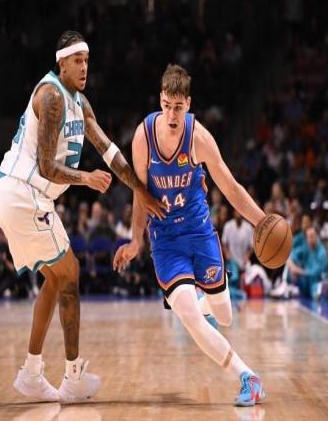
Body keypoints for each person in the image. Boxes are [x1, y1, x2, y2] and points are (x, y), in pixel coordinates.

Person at [0, 30, 164, 403]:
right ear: (62, 63)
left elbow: (109, 151)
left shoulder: (79, 103)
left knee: (56, 280)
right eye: (77, 61)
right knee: (70, 272)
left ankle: (32, 373)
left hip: (27, 197)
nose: (85, 67)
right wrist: (86, 178)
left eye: (87, 60)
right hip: (22, 192)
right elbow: (46, 166)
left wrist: (140, 189)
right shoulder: (52, 96)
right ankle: (72, 378)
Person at [114, 64, 266, 406]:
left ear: (189, 104)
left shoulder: (199, 138)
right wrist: (136, 240)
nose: (171, 115)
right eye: (167, 105)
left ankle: (206, 298)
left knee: (224, 316)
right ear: (160, 100)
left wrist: (262, 220)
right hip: (166, 239)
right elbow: (139, 192)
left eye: (178, 107)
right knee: (189, 316)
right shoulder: (143, 137)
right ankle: (248, 377)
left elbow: (230, 187)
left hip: (199, 232)